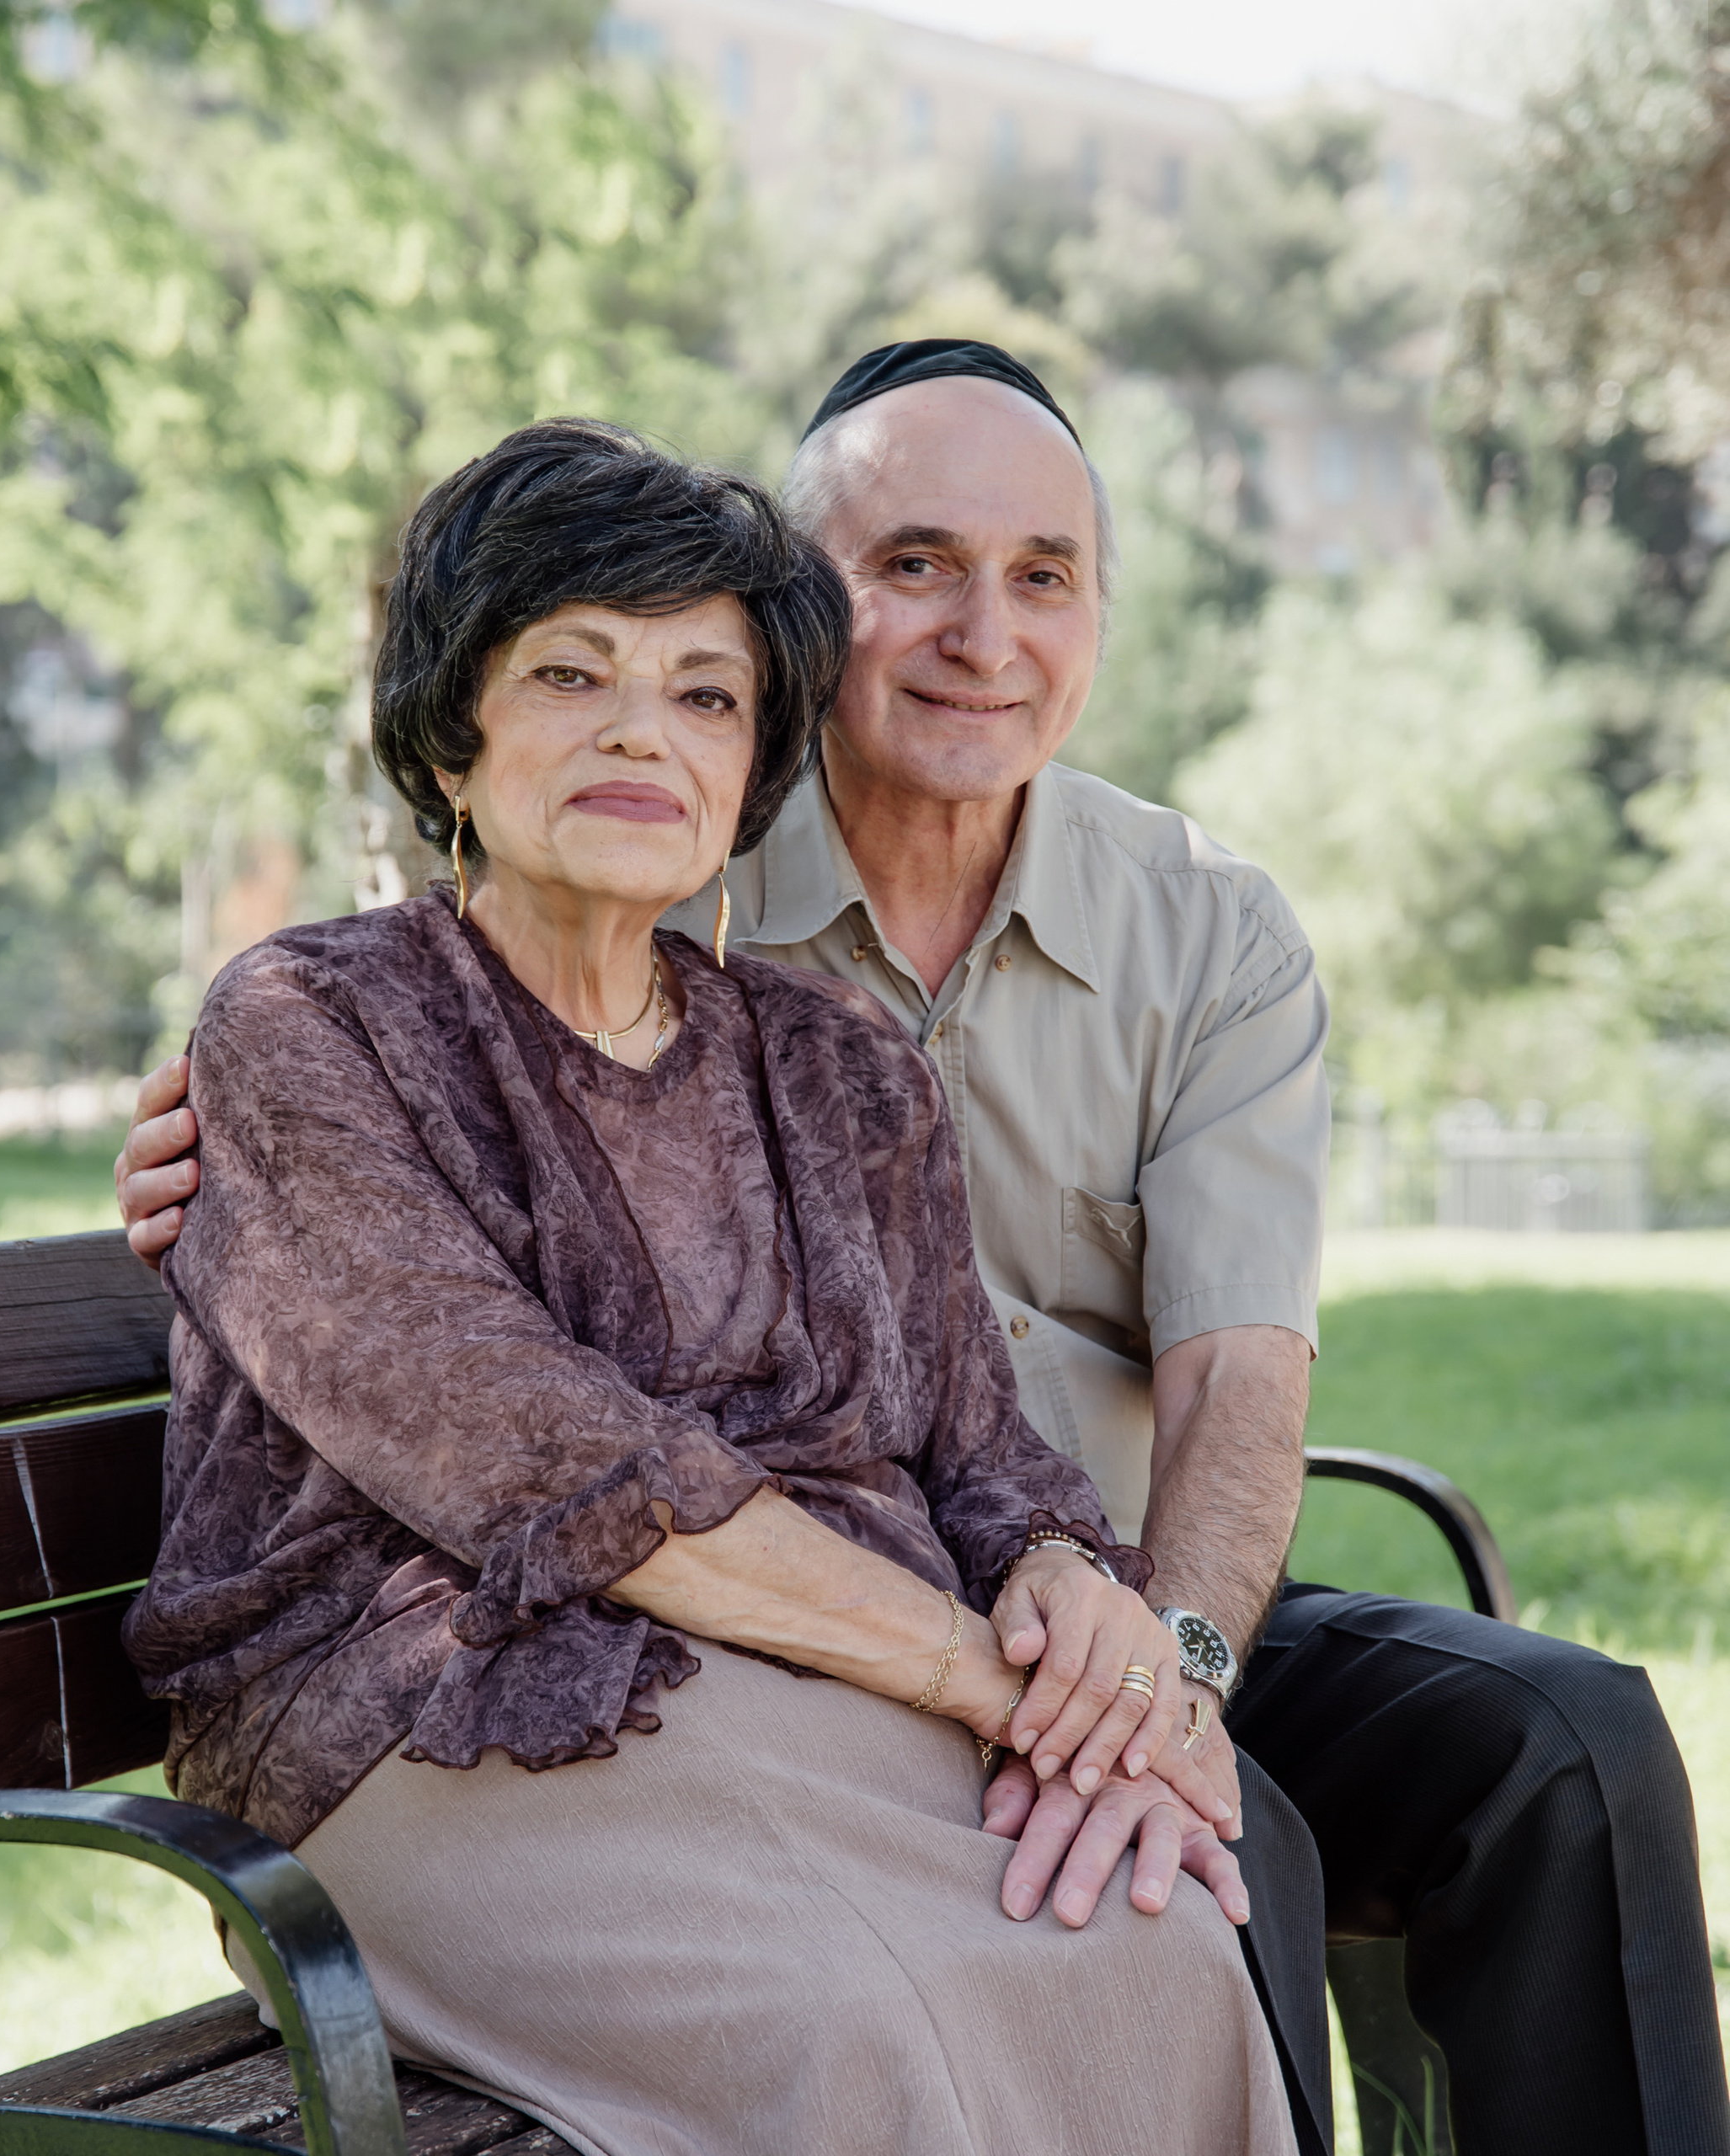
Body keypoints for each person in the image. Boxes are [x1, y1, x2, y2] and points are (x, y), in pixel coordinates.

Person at [120, 345, 1730, 2156]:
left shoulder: (1071, 972)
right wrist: (1012, 1674)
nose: (643, 729)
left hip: (1033, 1624)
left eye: (1041, 575)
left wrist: (1123, 1637)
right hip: (525, 1672)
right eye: (571, 675)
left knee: (1409, 1808)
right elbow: (521, 1418)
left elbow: (1148, 1390)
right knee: (992, 1956)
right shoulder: (450, 966)